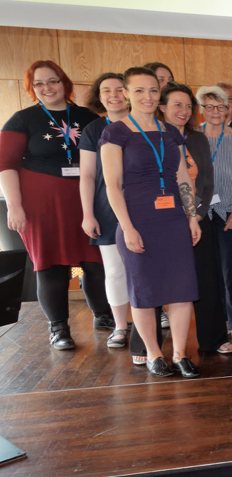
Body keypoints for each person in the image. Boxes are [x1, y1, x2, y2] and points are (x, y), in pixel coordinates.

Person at [0, 60, 111, 350]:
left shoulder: (88, 117)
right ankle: (59, 328)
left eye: (53, 81)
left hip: (88, 201)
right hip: (42, 204)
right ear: (32, 88)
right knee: (51, 265)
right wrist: (14, 206)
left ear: (64, 83)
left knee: (96, 262)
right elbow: (6, 165)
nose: (47, 88)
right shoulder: (22, 119)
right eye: (39, 83)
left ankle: (103, 315)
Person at [100, 66, 202, 377]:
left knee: (182, 289)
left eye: (153, 90)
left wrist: (192, 216)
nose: (148, 96)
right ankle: (155, 354)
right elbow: (112, 186)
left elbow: (182, 176)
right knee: (143, 291)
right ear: (126, 94)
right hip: (137, 220)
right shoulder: (115, 133)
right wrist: (127, 227)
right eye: (140, 90)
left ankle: (180, 354)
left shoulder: (170, 132)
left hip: (173, 220)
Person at [161, 83, 232, 356]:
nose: (183, 110)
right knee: (159, 281)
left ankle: (213, 339)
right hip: (162, 220)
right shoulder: (152, 137)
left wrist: (197, 213)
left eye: (188, 105)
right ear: (162, 108)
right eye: (177, 105)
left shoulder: (197, 139)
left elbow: (206, 181)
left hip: (198, 219)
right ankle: (148, 344)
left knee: (208, 278)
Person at [79, 73, 133, 350]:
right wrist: (88, 214)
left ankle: (154, 314)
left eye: (120, 89)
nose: (114, 95)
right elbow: (87, 175)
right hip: (106, 208)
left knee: (147, 267)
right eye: (106, 91)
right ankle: (121, 326)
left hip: (144, 206)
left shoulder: (145, 124)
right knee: (114, 270)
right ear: (99, 97)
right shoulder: (93, 130)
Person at [197, 85, 232, 348]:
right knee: (208, 273)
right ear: (201, 109)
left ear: (229, 109)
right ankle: (215, 326)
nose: (215, 111)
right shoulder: (192, 137)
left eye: (220, 106)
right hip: (200, 213)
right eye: (209, 106)